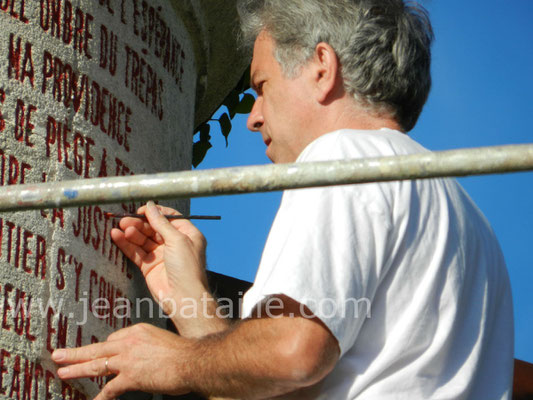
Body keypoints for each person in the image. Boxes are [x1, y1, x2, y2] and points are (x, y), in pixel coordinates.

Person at [51, 0, 514, 399]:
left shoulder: (342, 156)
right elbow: (273, 384)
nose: (252, 119)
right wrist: (186, 297)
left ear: (321, 68)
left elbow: (295, 354)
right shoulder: (466, 216)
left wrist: (173, 360)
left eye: (261, 87)